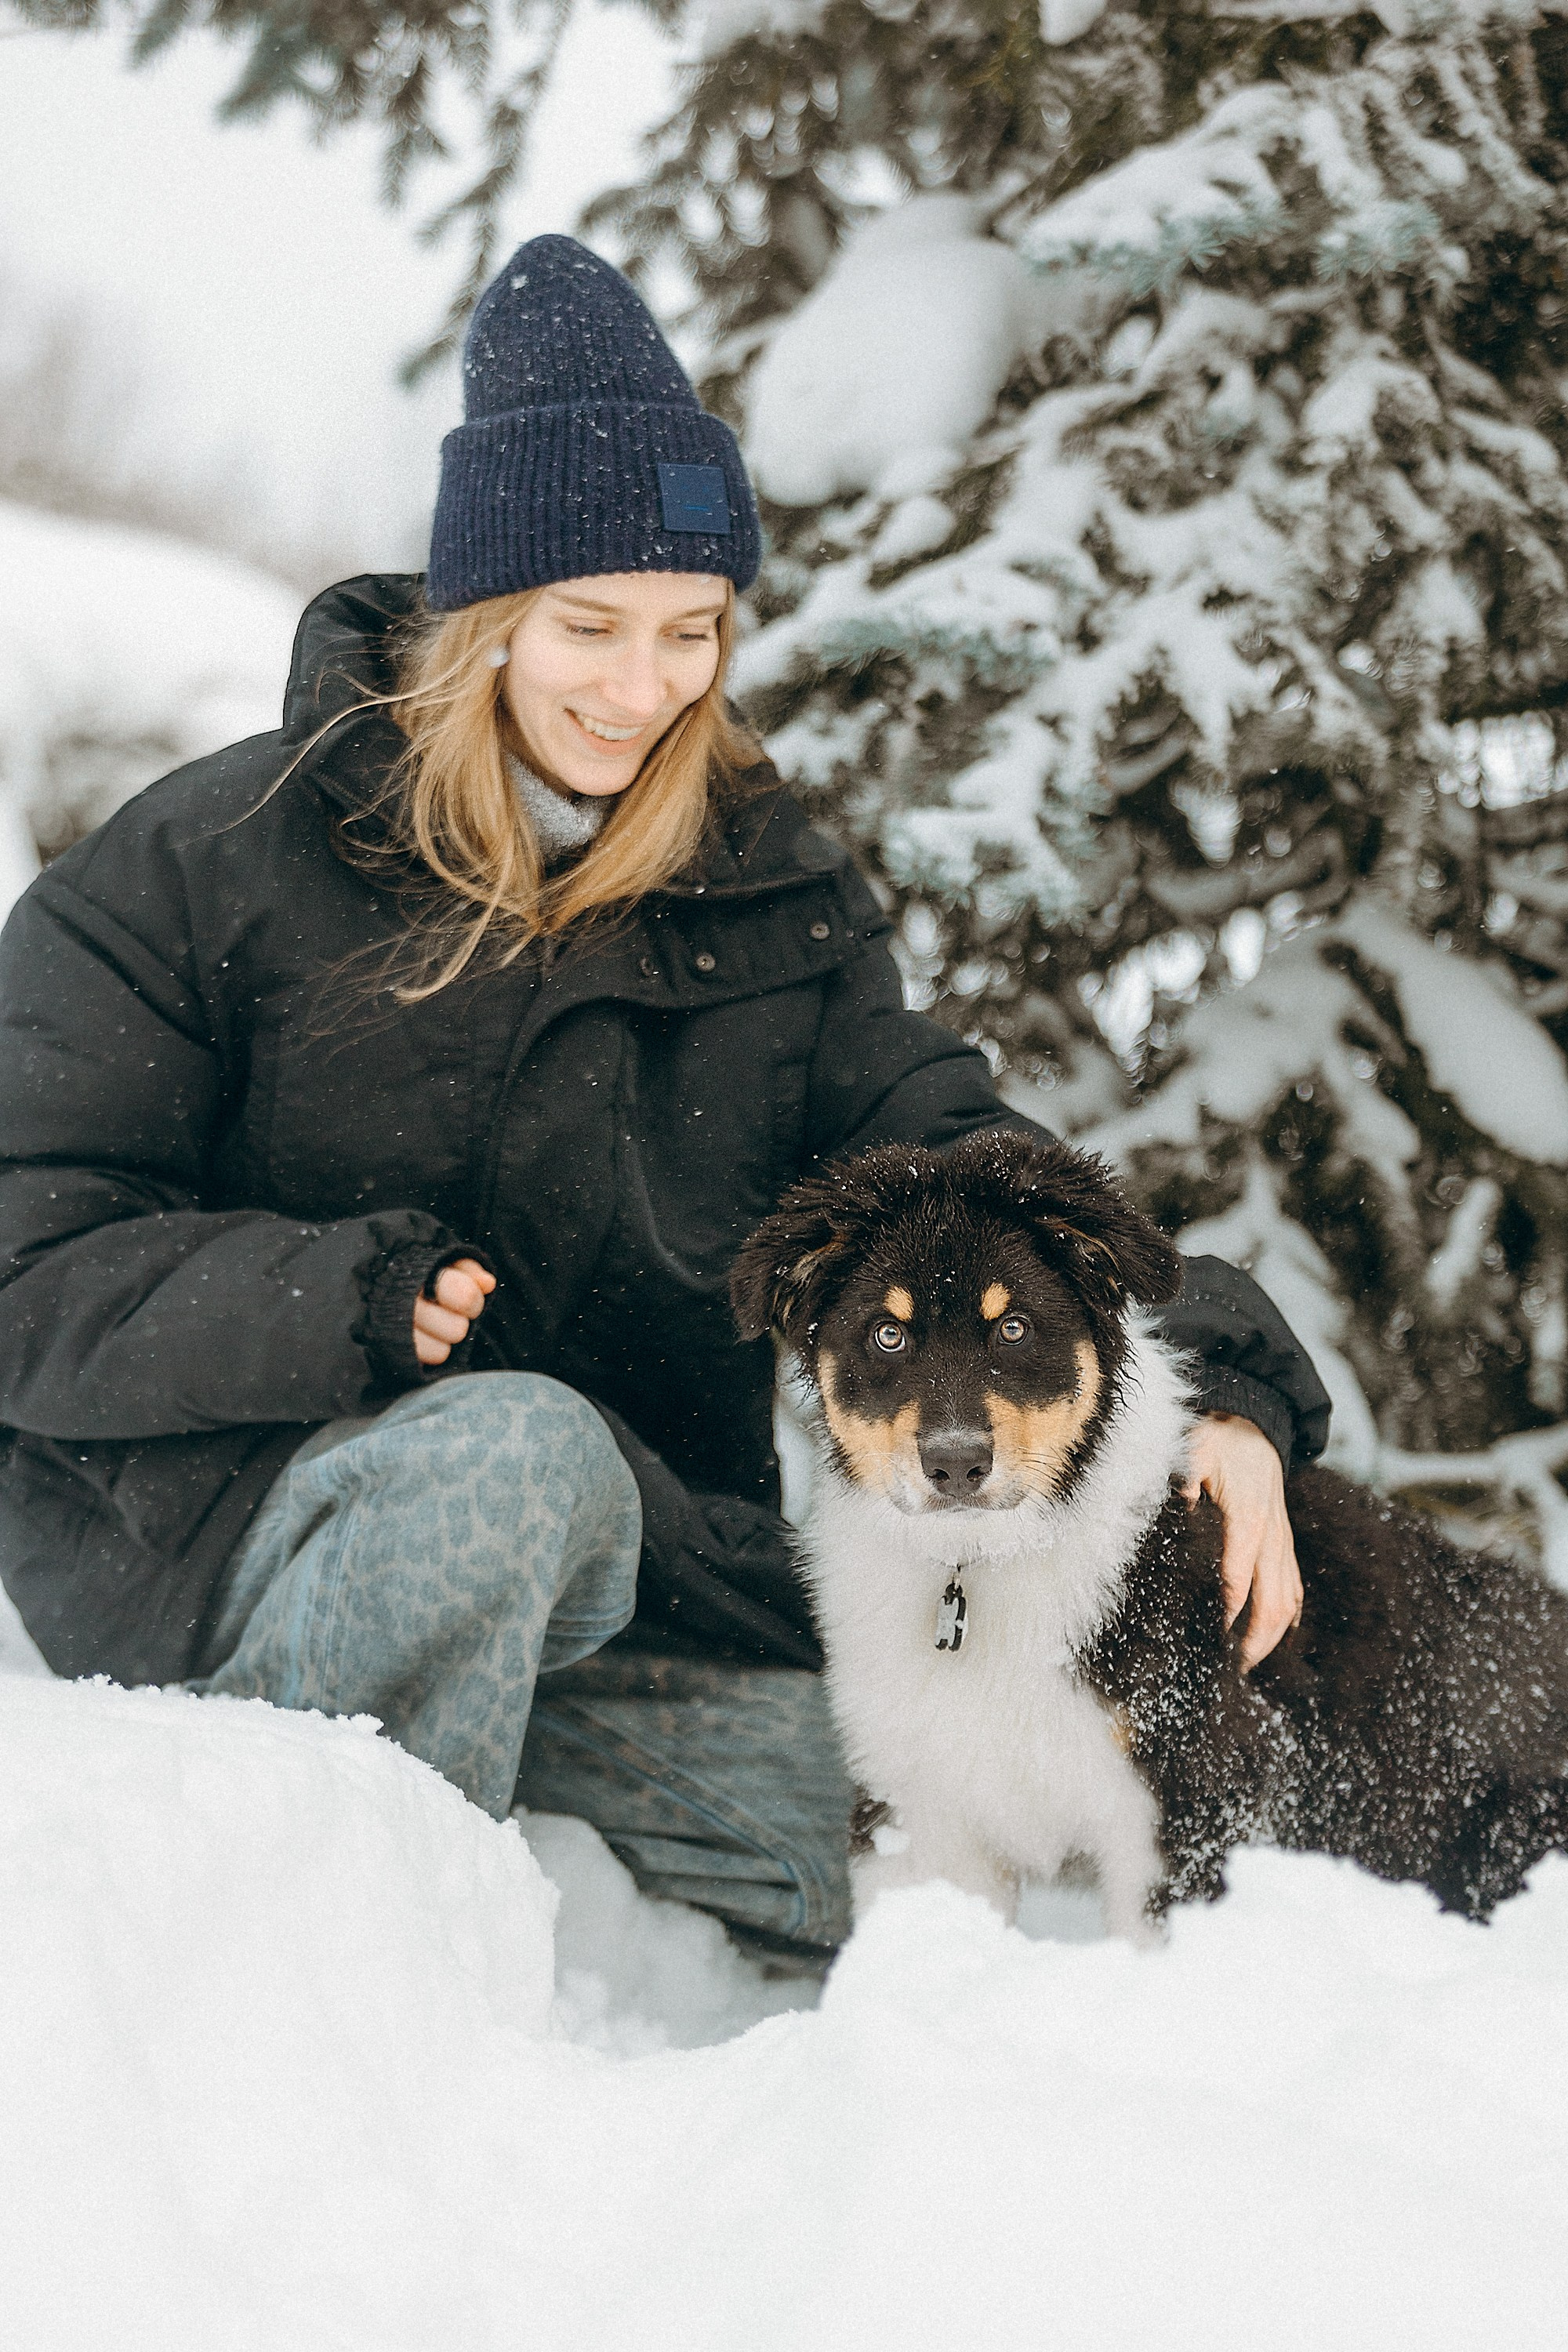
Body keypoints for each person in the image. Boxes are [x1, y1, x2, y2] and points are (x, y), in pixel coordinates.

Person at [0, 237, 1329, 1957]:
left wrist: (1217, 1387)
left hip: (628, 1589)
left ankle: (496, 1796)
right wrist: (341, 1305)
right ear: (483, 618)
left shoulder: (767, 904)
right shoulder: (217, 861)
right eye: (591, 629)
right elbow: (26, 1256)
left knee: (938, 1870)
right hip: (230, 1543)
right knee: (515, 1463)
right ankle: (333, 1963)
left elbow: (978, 1181)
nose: (644, 690)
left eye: (693, 632)